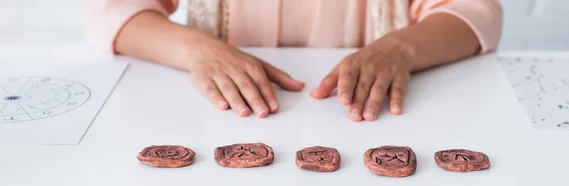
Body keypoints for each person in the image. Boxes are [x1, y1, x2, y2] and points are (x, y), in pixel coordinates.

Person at [83, 0, 502, 121]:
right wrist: (198, 50)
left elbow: (476, 11)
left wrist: (401, 48)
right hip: (224, 119)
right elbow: (111, 11)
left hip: (362, 120)